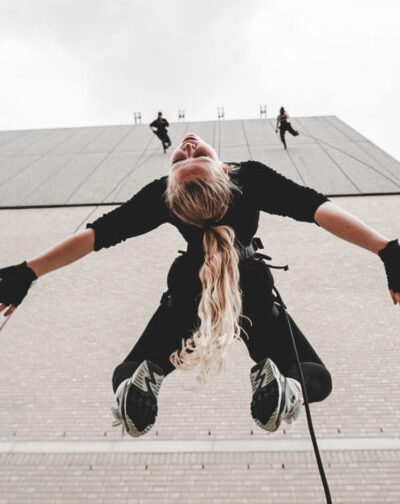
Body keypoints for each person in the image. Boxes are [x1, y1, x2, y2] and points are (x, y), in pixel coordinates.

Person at [1, 133, 399, 438]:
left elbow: (97, 235)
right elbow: (316, 208)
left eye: (187, 157)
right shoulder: (248, 177)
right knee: (315, 376)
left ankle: (138, 386)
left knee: (130, 369)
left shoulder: (162, 196)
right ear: (225, 171)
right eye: (186, 157)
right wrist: (385, 249)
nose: (187, 147)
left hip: (187, 284)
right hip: (250, 281)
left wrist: (29, 272)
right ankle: (288, 387)